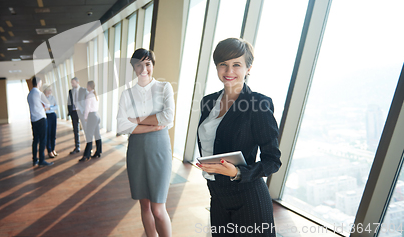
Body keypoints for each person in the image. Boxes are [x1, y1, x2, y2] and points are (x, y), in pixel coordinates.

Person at [195, 38, 281, 236]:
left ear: (248, 68)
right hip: (217, 196)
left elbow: (272, 161)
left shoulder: (258, 104)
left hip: (249, 198)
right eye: (223, 64)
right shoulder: (208, 102)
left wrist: (237, 172)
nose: (229, 71)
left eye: (236, 65)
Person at [117, 48, 174, 237]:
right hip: (136, 151)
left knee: (158, 208)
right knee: (144, 204)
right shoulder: (127, 94)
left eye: (147, 64)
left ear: (153, 65)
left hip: (159, 149)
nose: (144, 69)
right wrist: (152, 124)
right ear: (133, 67)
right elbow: (122, 125)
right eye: (139, 64)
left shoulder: (164, 87)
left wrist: (137, 120)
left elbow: (167, 117)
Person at [27, 76, 54, 167]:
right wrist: (43, 105)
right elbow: (47, 104)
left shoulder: (29, 94)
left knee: (35, 140)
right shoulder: (39, 93)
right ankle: (42, 160)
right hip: (41, 119)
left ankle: (35, 160)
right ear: (38, 83)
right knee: (43, 140)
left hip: (33, 119)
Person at [79, 81, 102, 162]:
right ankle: (98, 152)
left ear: (89, 86)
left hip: (91, 116)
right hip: (97, 115)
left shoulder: (89, 95)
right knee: (97, 135)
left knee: (89, 136)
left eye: (87, 86)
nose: (86, 87)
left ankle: (86, 155)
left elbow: (87, 108)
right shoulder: (95, 95)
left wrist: (85, 118)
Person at [67, 77, 87, 155]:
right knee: (76, 131)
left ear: (77, 82)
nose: (72, 84)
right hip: (74, 113)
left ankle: (88, 147)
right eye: (71, 83)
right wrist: (70, 112)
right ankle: (77, 147)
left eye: (73, 83)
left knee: (85, 130)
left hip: (82, 112)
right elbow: (68, 102)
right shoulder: (70, 91)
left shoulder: (83, 90)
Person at [43, 85, 58, 158]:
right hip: (47, 116)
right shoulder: (42, 98)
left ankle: (53, 149)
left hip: (53, 116)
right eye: (50, 90)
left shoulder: (52, 97)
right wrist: (51, 108)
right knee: (48, 134)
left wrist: (49, 108)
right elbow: (43, 108)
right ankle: (49, 151)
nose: (51, 91)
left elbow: (56, 107)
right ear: (46, 90)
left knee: (53, 133)